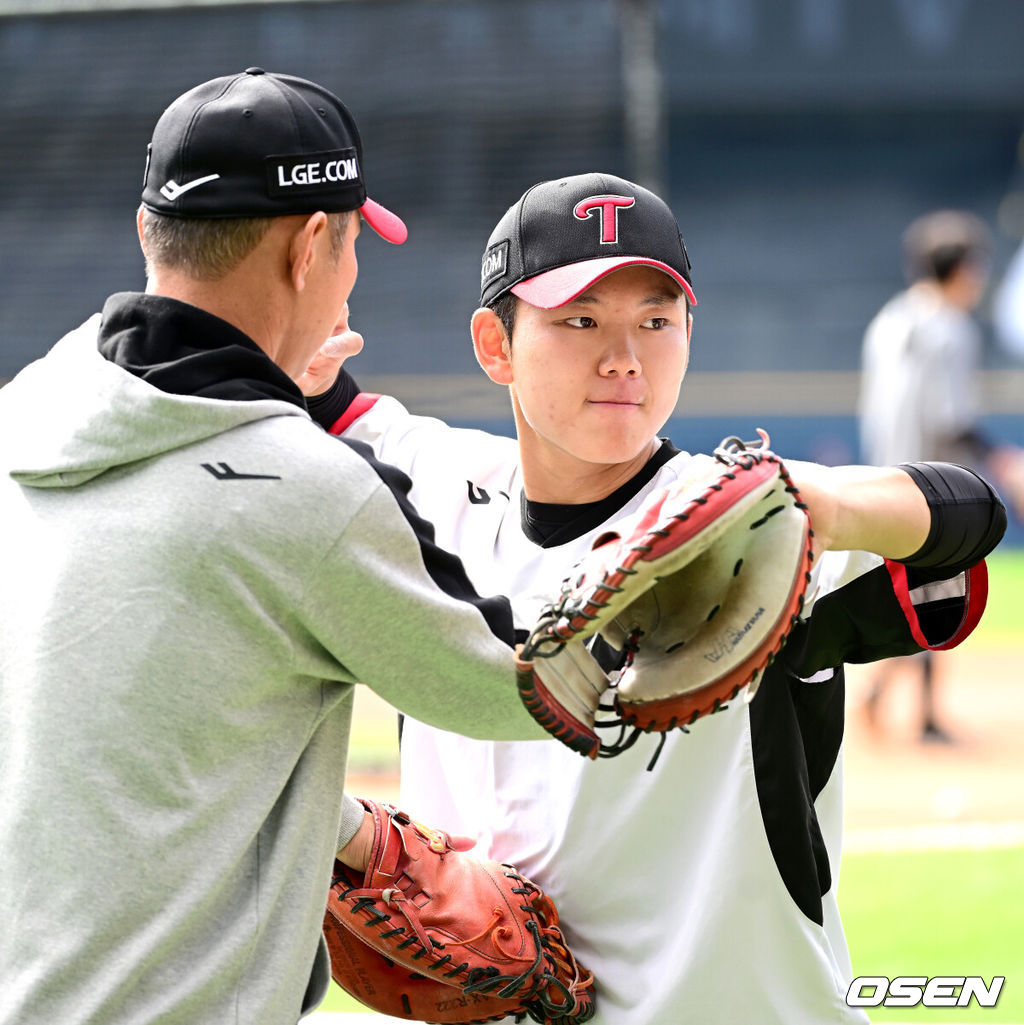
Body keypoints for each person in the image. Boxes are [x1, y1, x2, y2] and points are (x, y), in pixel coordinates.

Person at [304, 172, 1005, 1025]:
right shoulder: (436, 487)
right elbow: (327, 402)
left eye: (656, 320)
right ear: (495, 345)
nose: (624, 356)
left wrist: (819, 506)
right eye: (580, 321)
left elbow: (969, 513)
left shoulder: (741, 527)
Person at [0, 69, 563, 1025]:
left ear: (149, 233)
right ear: (310, 248)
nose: (350, 278)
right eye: (350, 249)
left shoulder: (25, 413)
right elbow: (526, 687)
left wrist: (339, 832)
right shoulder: (302, 488)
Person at [858, 209, 1024, 743]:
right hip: (935, 480)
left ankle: (887, 695)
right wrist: (1002, 460)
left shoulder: (890, 318)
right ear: (966, 268)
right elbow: (951, 419)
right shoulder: (950, 328)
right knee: (942, 589)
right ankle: (923, 716)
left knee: (921, 590)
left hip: (886, 473)